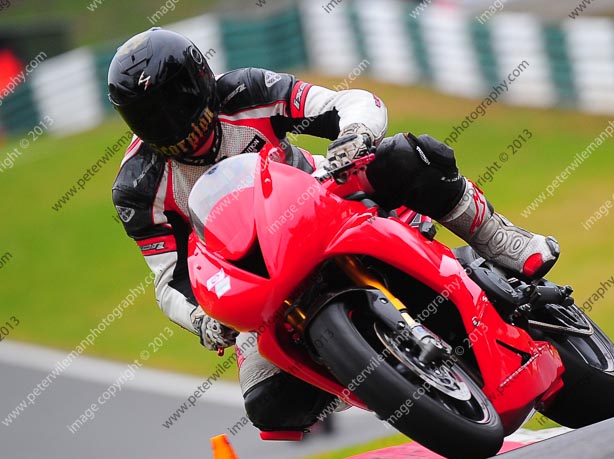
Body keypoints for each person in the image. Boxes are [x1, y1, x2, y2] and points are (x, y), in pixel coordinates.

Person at [109, 28, 559, 437]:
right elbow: (170, 278)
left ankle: (499, 241)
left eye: (175, 103)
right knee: (269, 404)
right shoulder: (137, 187)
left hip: (318, 200)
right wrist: (202, 320)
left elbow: (347, 103)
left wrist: (354, 135)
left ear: (200, 80)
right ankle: (378, 379)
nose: (173, 125)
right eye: (151, 117)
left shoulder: (246, 91)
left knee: (406, 155)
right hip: (254, 275)